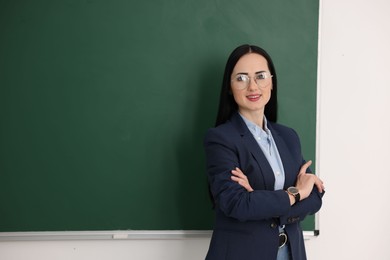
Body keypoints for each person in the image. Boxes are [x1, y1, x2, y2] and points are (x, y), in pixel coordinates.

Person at [203, 44, 325, 260]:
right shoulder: (221, 139)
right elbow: (237, 204)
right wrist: (295, 194)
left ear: (271, 82)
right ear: (229, 87)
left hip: (291, 253)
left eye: (260, 76)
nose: (253, 86)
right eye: (241, 78)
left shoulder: (288, 137)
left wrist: (258, 199)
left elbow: (314, 197)